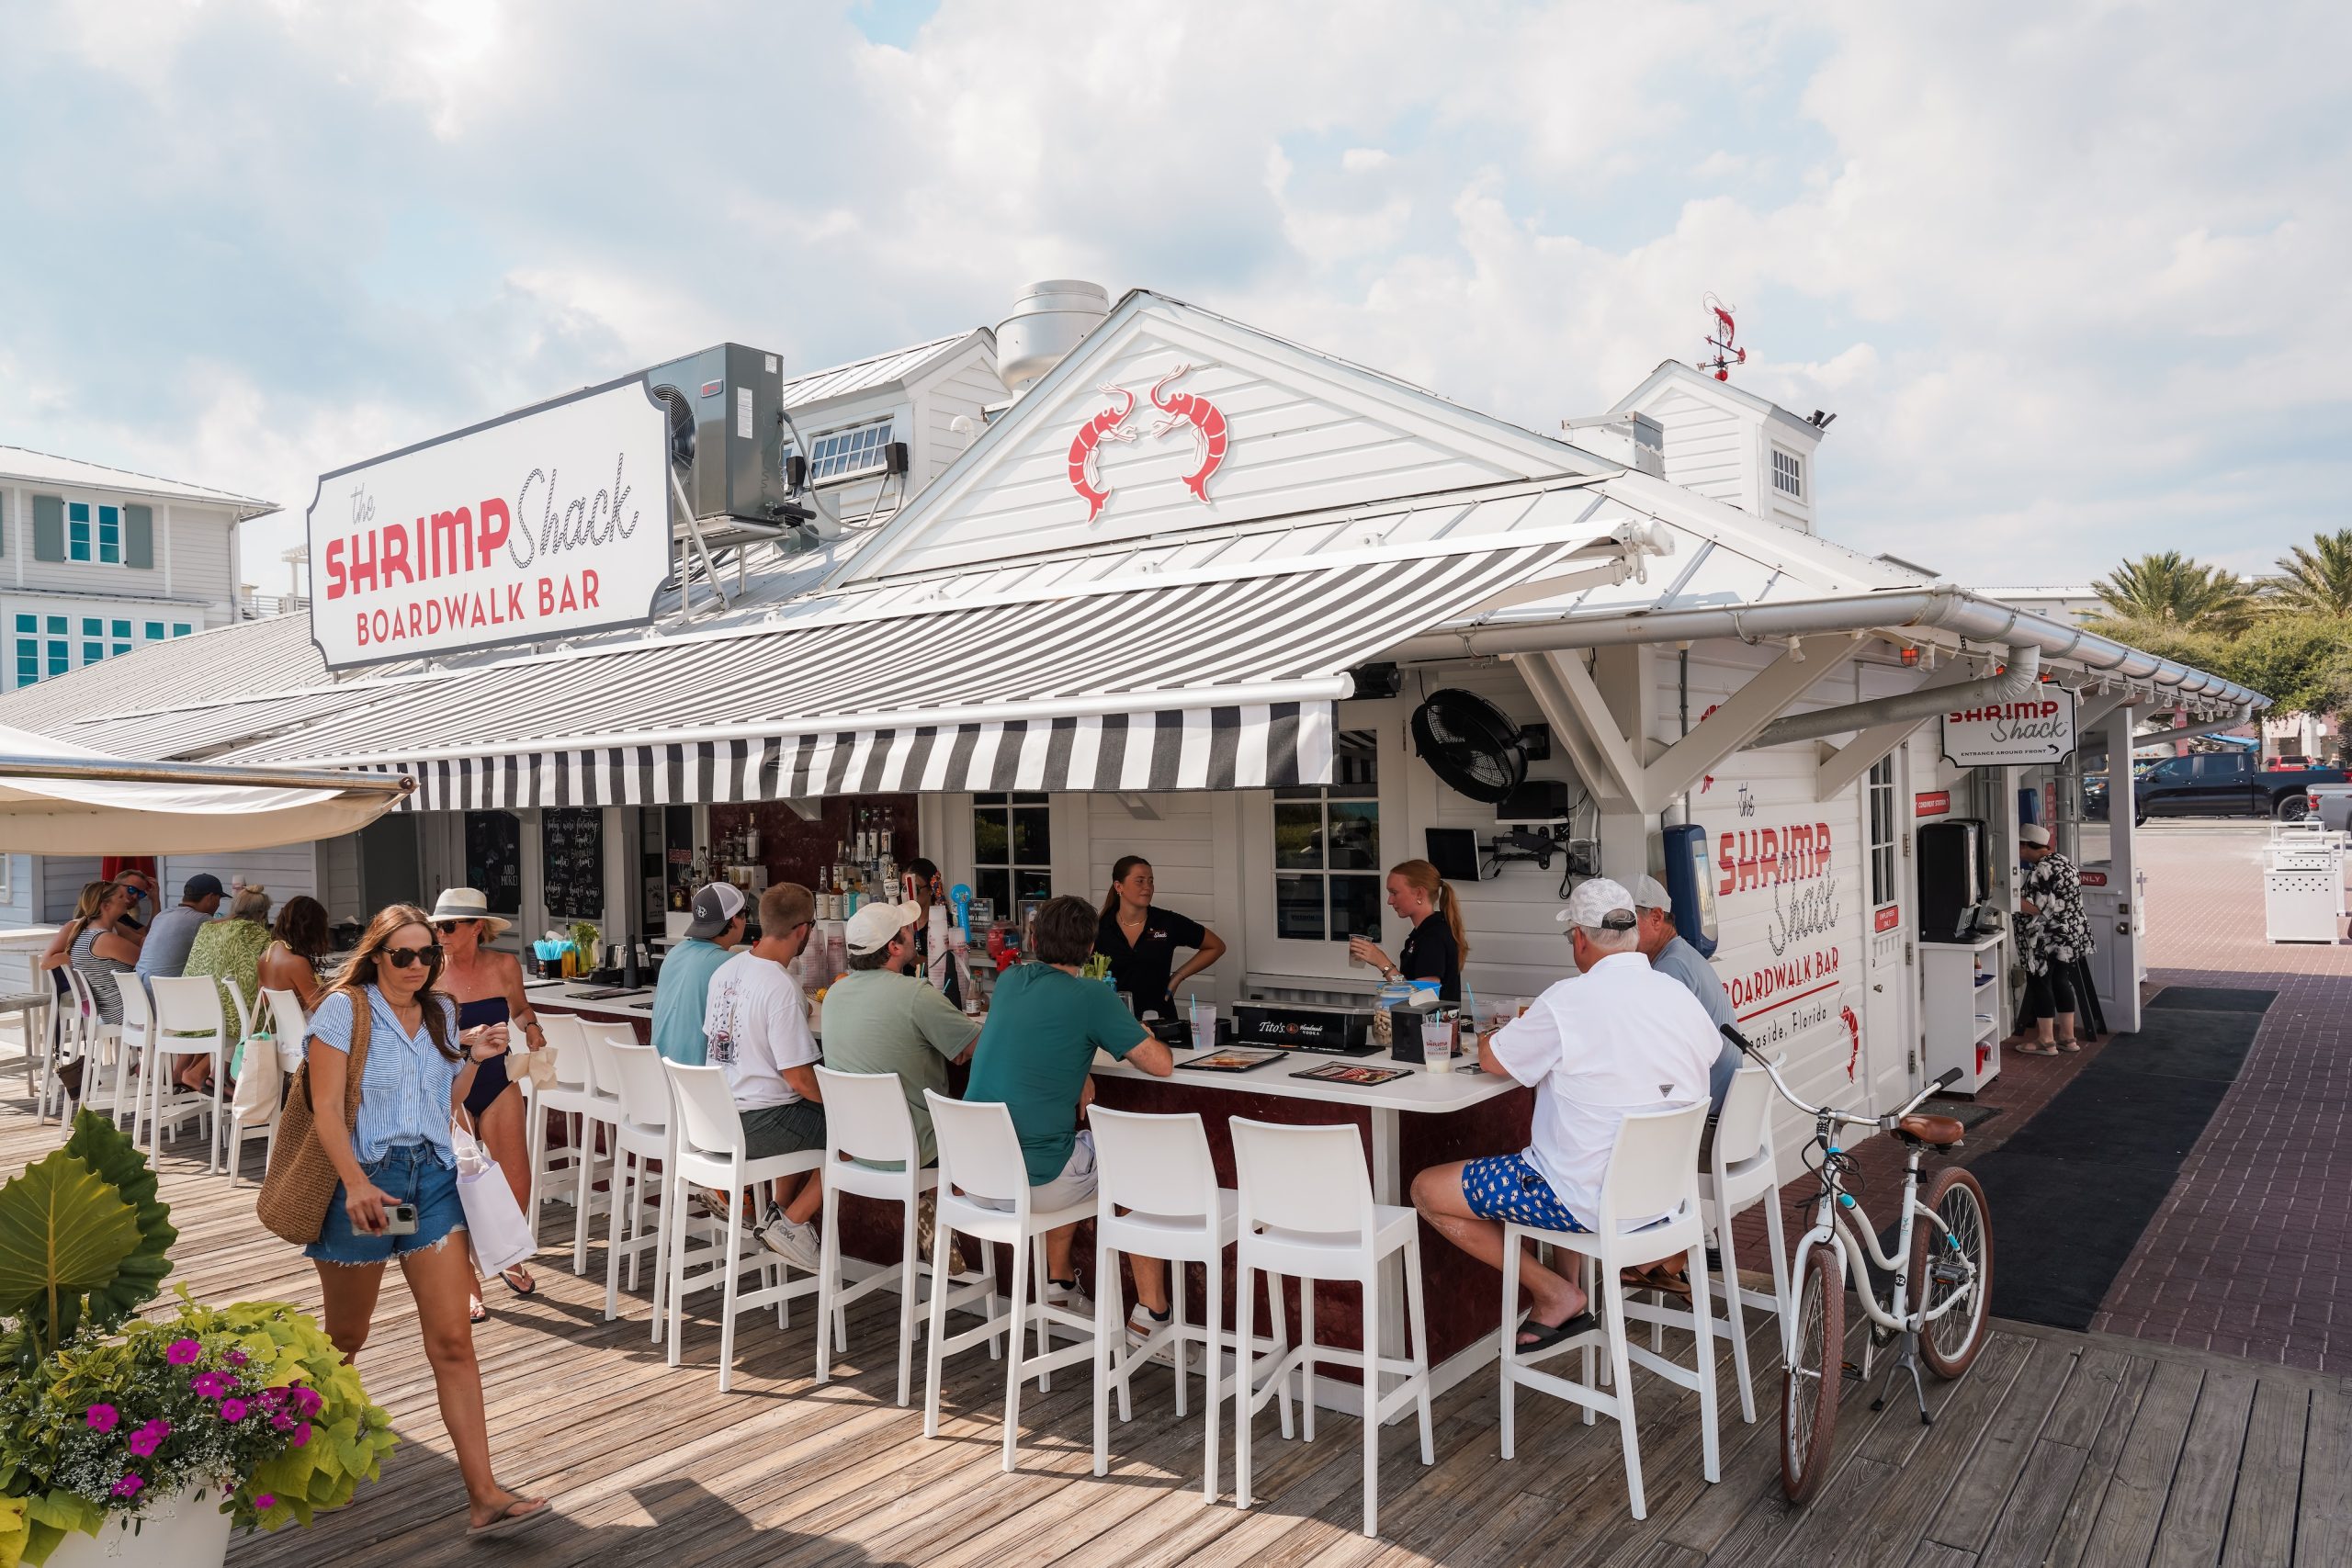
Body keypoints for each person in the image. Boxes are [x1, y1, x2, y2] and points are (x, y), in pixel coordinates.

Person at [300, 904, 548, 1539]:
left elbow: (448, 1103)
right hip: (369, 1183)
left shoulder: (441, 1011)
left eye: (425, 955)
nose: (417, 965)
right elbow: (324, 1107)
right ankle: (316, 1460)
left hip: (431, 1179)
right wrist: (355, 1182)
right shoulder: (344, 1009)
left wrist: (474, 1058)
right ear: (376, 953)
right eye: (403, 954)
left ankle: (484, 1494)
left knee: (452, 1340)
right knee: (343, 1342)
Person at [1409, 877, 1717, 1350]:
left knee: (1427, 1188)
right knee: (1560, 1148)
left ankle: (1555, 1292)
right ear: (1635, 932)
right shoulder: (1678, 996)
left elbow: (1492, 1059)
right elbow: (1705, 1054)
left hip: (1584, 1200)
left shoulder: (1568, 1000)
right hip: (1663, 1203)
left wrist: (1508, 1029)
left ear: (1579, 938)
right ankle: (1562, 1288)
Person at [964, 895, 1176, 1332]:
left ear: (1034, 939)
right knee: (1138, 1158)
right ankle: (1152, 1315)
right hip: (1035, 1183)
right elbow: (1161, 1064)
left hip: (977, 1180)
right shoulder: (1092, 996)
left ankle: (1060, 1284)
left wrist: (1078, 1072)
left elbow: (1036, 1039)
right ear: (1092, 948)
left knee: (1078, 1147)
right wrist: (1137, 1031)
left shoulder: (1008, 982)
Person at [429, 888, 545, 1317]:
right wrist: (459, 1038)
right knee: (456, 1184)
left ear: (477, 928)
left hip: (497, 1078)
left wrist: (531, 1028)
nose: (439, 933)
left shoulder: (503, 965)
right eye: (437, 925)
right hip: (450, 1080)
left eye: (448, 926)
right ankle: (467, 1280)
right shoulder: (429, 972)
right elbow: (415, 1035)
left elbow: (519, 1008)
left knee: (518, 1179)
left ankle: (504, 1253)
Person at [703, 882, 828, 1272]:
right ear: (803, 931)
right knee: (857, 1129)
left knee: (804, 1112)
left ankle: (777, 1215)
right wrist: (850, 1104)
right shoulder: (780, 985)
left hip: (717, 1118)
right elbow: (800, 1079)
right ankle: (792, 1224)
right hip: (756, 1125)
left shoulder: (726, 970)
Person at [821, 899, 981, 1167]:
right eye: (907, 930)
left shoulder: (834, 994)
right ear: (893, 947)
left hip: (856, 1147)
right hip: (919, 1148)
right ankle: (952, 1201)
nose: (913, 933)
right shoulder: (916, 994)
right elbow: (982, 1048)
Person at [1627, 875, 1741, 1115]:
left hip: (1702, 1121)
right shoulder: (1679, 955)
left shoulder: (1671, 967)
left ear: (1657, 918)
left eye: (1628, 922)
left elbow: (1657, 1057)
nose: (1620, 933)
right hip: (1720, 1112)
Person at [1095, 856, 1227, 1021]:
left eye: (1151, 881)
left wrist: (1178, 976)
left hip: (1160, 1023)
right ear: (1118, 886)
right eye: (1140, 881)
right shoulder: (1099, 927)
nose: (1147, 887)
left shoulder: (1167, 922)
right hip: (1114, 1024)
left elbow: (1216, 946)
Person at [176, 886, 275, 1094]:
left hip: (191, 1011)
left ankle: (215, 1076)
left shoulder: (209, 927)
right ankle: (231, 1079)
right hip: (222, 1018)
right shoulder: (255, 933)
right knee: (258, 1015)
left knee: (235, 1008)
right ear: (262, 914)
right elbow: (260, 973)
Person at [2016, 824, 2092, 1055]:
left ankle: (2046, 1041)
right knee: (2061, 980)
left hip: (2045, 936)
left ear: (2028, 845)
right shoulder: (2064, 861)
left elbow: (2038, 908)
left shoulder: (2042, 869)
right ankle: (2068, 1039)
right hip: (2069, 933)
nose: (2018, 850)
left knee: (2040, 983)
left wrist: (2008, 899)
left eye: (2020, 845)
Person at [1347, 859, 1465, 1003]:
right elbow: (1407, 986)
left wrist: (1384, 963)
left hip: (1435, 1025)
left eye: (1394, 893)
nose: (1389, 901)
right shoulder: (1422, 933)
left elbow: (1425, 999)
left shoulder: (1433, 937)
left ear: (1419, 893)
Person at [652, 883, 746, 1065]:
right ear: (735, 919)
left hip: (661, 1076)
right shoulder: (729, 964)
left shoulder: (675, 952)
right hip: (700, 1081)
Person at [66, 881, 143, 1024]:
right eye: (120, 897)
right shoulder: (105, 939)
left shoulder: (85, 933)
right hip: (125, 1011)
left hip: (111, 1011)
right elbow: (147, 962)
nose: (126, 900)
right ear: (105, 906)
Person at [135, 873, 225, 980]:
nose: (219, 904)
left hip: (141, 989)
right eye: (219, 899)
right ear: (210, 897)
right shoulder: (200, 919)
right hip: (167, 992)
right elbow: (228, 939)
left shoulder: (163, 914)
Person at [258, 895, 334, 1015]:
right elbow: (319, 1010)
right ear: (311, 930)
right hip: (304, 1028)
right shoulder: (297, 963)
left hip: (283, 1028)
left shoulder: (265, 956)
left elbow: (264, 999)